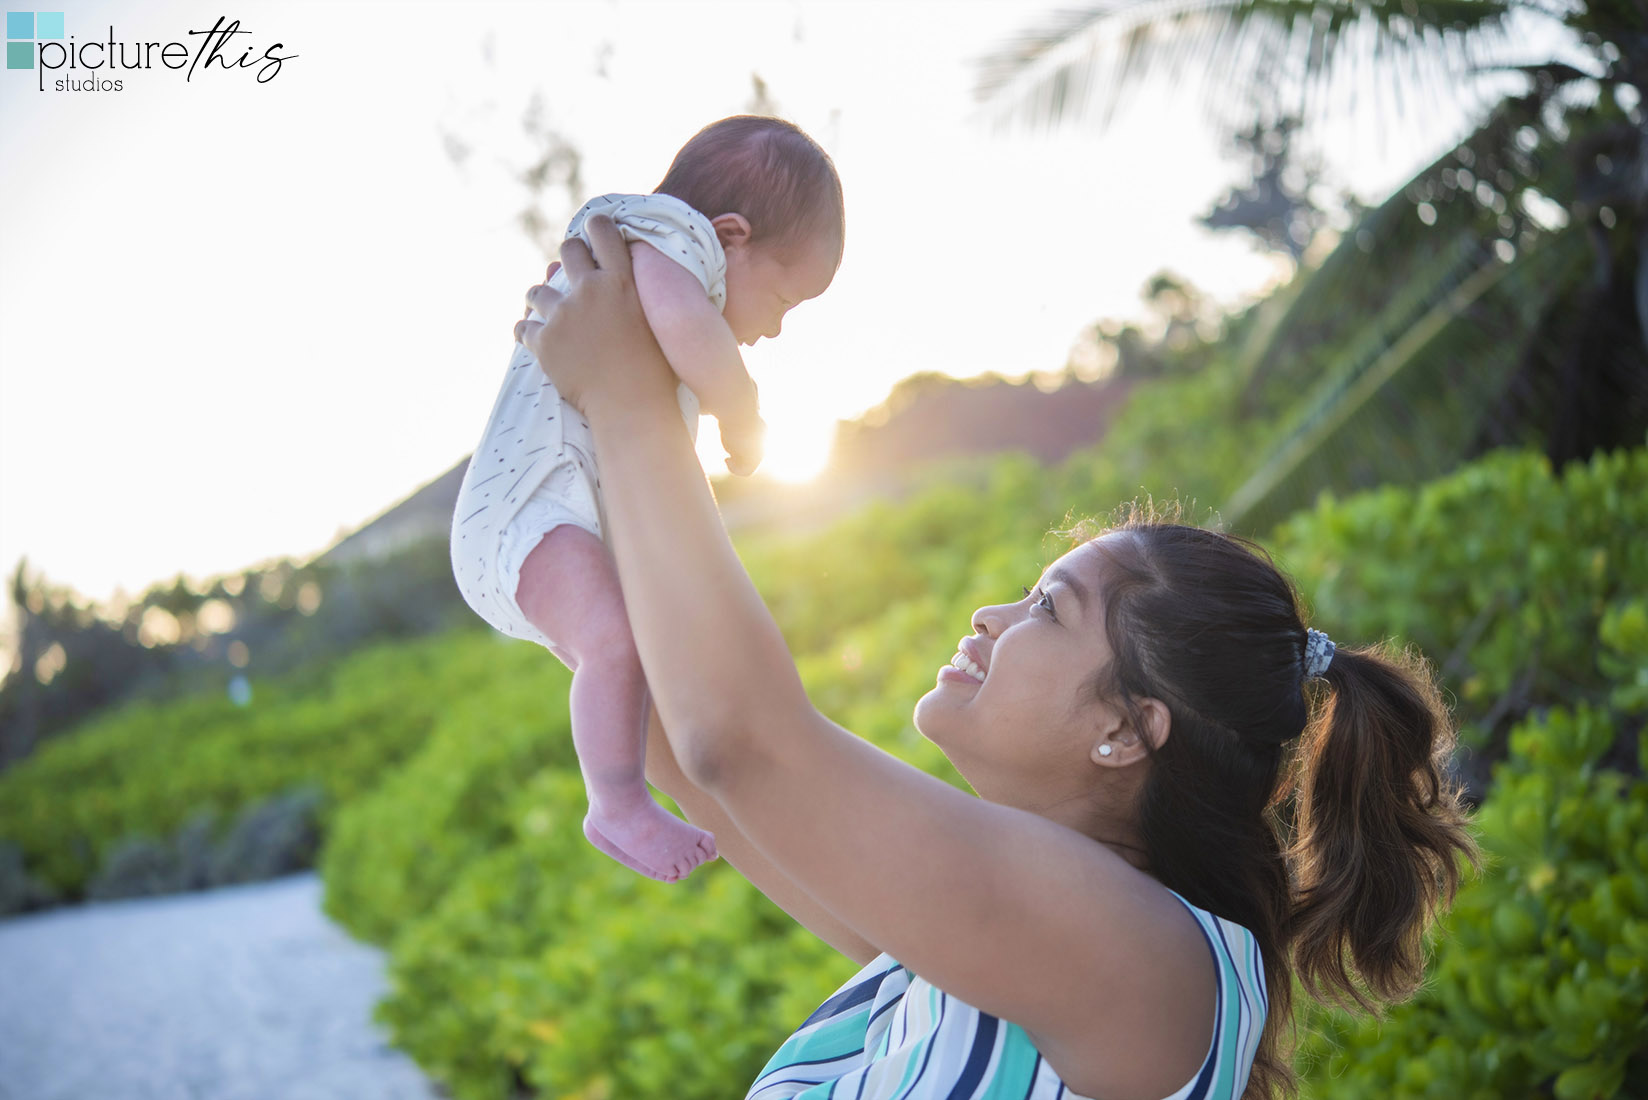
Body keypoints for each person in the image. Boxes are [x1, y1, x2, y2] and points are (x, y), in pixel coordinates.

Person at [513, 217, 1478, 1099]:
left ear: (1127, 728)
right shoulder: (1008, 929)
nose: (988, 614)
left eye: (1047, 609)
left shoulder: (1132, 950)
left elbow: (738, 744)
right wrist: (590, 418)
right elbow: (679, 739)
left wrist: (627, 399)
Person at [450, 117, 844, 883]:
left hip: (551, 516)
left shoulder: (635, 256)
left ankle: (645, 789)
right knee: (619, 645)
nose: (773, 330)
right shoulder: (660, 239)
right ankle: (616, 802)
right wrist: (742, 410)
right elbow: (688, 327)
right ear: (730, 236)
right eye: (784, 300)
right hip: (532, 512)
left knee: (635, 657)